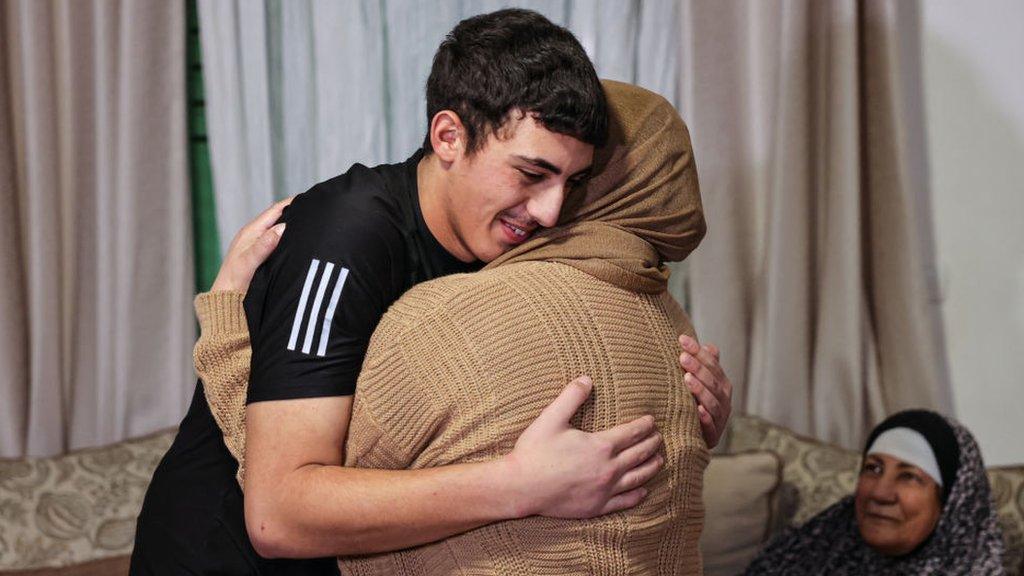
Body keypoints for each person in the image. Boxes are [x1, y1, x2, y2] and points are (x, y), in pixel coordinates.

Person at [131, 9, 732, 575]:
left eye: (572, 184)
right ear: (449, 135)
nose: (551, 212)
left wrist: (691, 421)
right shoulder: (347, 235)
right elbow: (277, 515)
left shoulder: (511, 256)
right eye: (531, 174)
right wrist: (519, 485)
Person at [743, 409, 1005, 575]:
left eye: (909, 476)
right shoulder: (804, 551)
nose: (880, 493)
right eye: (873, 469)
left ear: (951, 504)